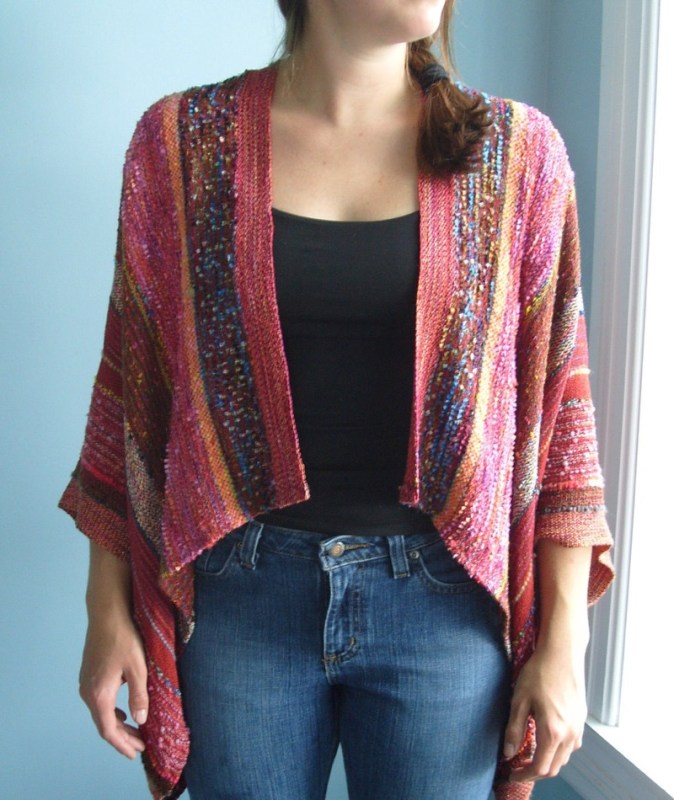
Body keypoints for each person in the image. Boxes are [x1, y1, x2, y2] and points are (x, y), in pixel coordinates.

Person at [57, 1, 615, 798]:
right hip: (241, 599)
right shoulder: (184, 144)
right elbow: (132, 391)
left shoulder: (515, 155)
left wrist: (566, 644)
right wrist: (105, 608)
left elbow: (562, 422)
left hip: (445, 607)